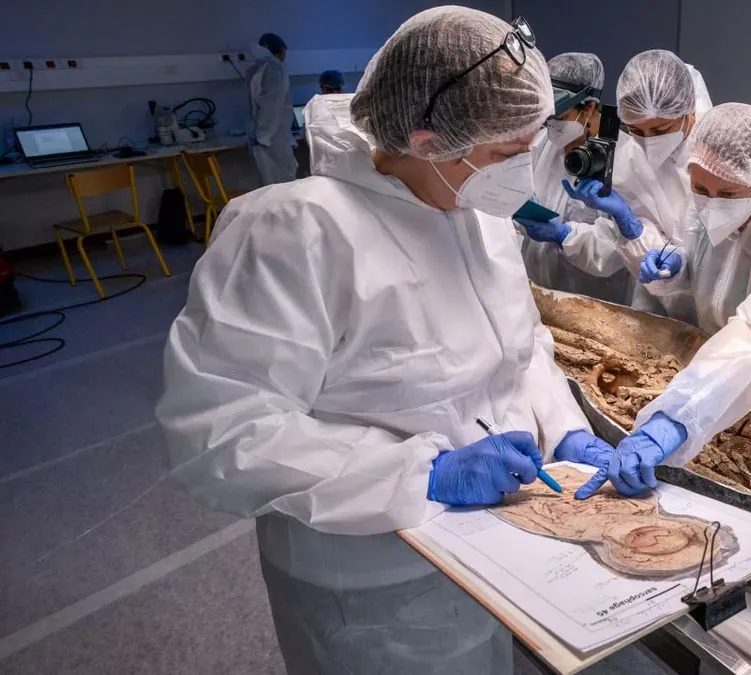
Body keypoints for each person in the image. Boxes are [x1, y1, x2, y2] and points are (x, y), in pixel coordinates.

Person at [157, 8, 618, 674]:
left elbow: (522, 347)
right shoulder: (295, 233)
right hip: (371, 579)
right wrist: (422, 473)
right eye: (507, 153)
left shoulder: (475, 210)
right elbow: (220, 432)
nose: (524, 170)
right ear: (429, 140)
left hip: (494, 547)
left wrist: (563, 426)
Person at [576, 102, 751, 500]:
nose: (710, 202)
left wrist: (676, 418)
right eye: (700, 190)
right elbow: (702, 261)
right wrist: (675, 264)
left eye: (728, 194)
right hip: (722, 371)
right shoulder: (708, 192)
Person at [561, 49, 712, 314]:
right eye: (636, 131)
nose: (648, 141)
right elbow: (640, 258)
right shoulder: (629, 162)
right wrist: (630, 226)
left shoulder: (726, 145)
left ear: (689, 112)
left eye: (660, 130)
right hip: (665, 307)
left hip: (728, 304)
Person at [515, 52, 631, 304]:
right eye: (545, 118)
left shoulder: (624, 159)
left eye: (558, 117)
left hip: (595, 299)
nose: (550, 125)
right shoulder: (541, 144)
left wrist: (564, 235)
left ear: (588, 107)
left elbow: (620, 251)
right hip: (539, 289)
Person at [247, 32, 299, 185]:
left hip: (263, 136)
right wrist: (264, 135)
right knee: (283, 181)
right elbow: (272, 104)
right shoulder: (275, 69)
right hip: (272, 137)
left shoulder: (257, 68)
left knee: (269, 183)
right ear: (281, 51)